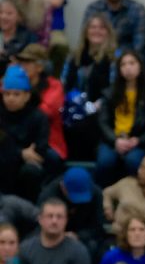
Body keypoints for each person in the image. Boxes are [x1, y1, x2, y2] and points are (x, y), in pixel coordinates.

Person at [95, 50, 145, 187]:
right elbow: (103, 123)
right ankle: (103, 196)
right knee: (105, 161)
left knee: (133, 161)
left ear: (140, 66)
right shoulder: (109, 93)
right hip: (112, 139)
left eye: (132, 63)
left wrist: (138, 140)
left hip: (137, 141)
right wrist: (115, 140)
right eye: (123, 64)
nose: (127, 67)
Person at [60, 14, 116, 161]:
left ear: (108, 32)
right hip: (73, 108)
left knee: (87, 125)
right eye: (93, 27)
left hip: (101, 108)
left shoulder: (114, 57)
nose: (97, 31)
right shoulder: (73, 56)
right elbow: (64, 83)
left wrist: (99, 104)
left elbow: (115, 88)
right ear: (86, 31)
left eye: (101, 28)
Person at [0, 63, 51, 200]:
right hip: (4, 163)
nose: (10, 98)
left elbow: (40, 152)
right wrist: (21, 153)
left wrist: (12, 152)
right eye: (7, 94)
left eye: (16, 94)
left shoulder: (39, 117)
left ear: (27, 96)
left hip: (26, 167)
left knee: (31, 171)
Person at [38, 166, 105, 260]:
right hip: (54, 233)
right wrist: (60, 235)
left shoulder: (96, 193)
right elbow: (41, 224)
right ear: (63, 187)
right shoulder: (48, 196)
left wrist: (78, 236)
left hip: (84, 235)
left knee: (93, 246)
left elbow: (98, 225)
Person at [15, 42, 66, 166]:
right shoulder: (13, 84)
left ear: (40, 67)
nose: (22, 67)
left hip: (48, 142)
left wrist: (18, 107)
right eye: (20, 62)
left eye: (27, 62)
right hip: (17, 138)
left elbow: (46, 112)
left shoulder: (54, 85)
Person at [81, 0, 145, 56]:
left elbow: (140, 42)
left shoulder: (137, 8)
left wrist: (124, 58)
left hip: (129, 56)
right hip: (99, 54)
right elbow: (85, 36)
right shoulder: (93, 8)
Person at [0, 0, 35, 77]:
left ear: (19, 16)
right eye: (0, 12)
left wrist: (18, 62)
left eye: (9, 13)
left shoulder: (28, 37)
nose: (3, 17)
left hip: (18, 78)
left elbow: (34, 61)